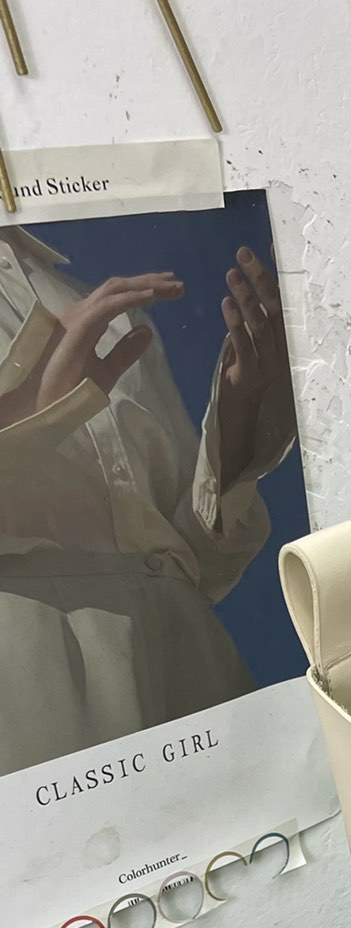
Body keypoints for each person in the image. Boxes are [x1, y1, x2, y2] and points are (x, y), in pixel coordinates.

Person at [0, 230, 296, 777]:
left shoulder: (110, 312)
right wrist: (31, 405)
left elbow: (195, 563)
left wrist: (239, 423)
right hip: (35, 692)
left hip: (199, 673)